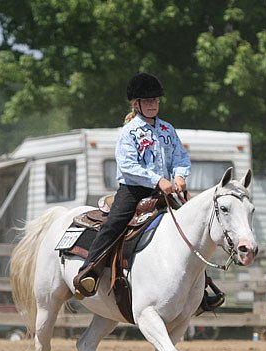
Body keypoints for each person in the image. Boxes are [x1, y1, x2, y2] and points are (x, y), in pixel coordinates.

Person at [73, 73, 199, 301]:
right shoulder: (130, 132)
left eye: (156, 101)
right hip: (134, 189)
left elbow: (181, 157)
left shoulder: (168, 130)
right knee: (114, 223)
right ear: (137, 104)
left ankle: (202, 287)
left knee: (193, 228)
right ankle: (89, 270)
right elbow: (128, 166)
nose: (153, 105)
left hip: (166, 190)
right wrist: (157, 180)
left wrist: (180, 175)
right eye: (148, 101)